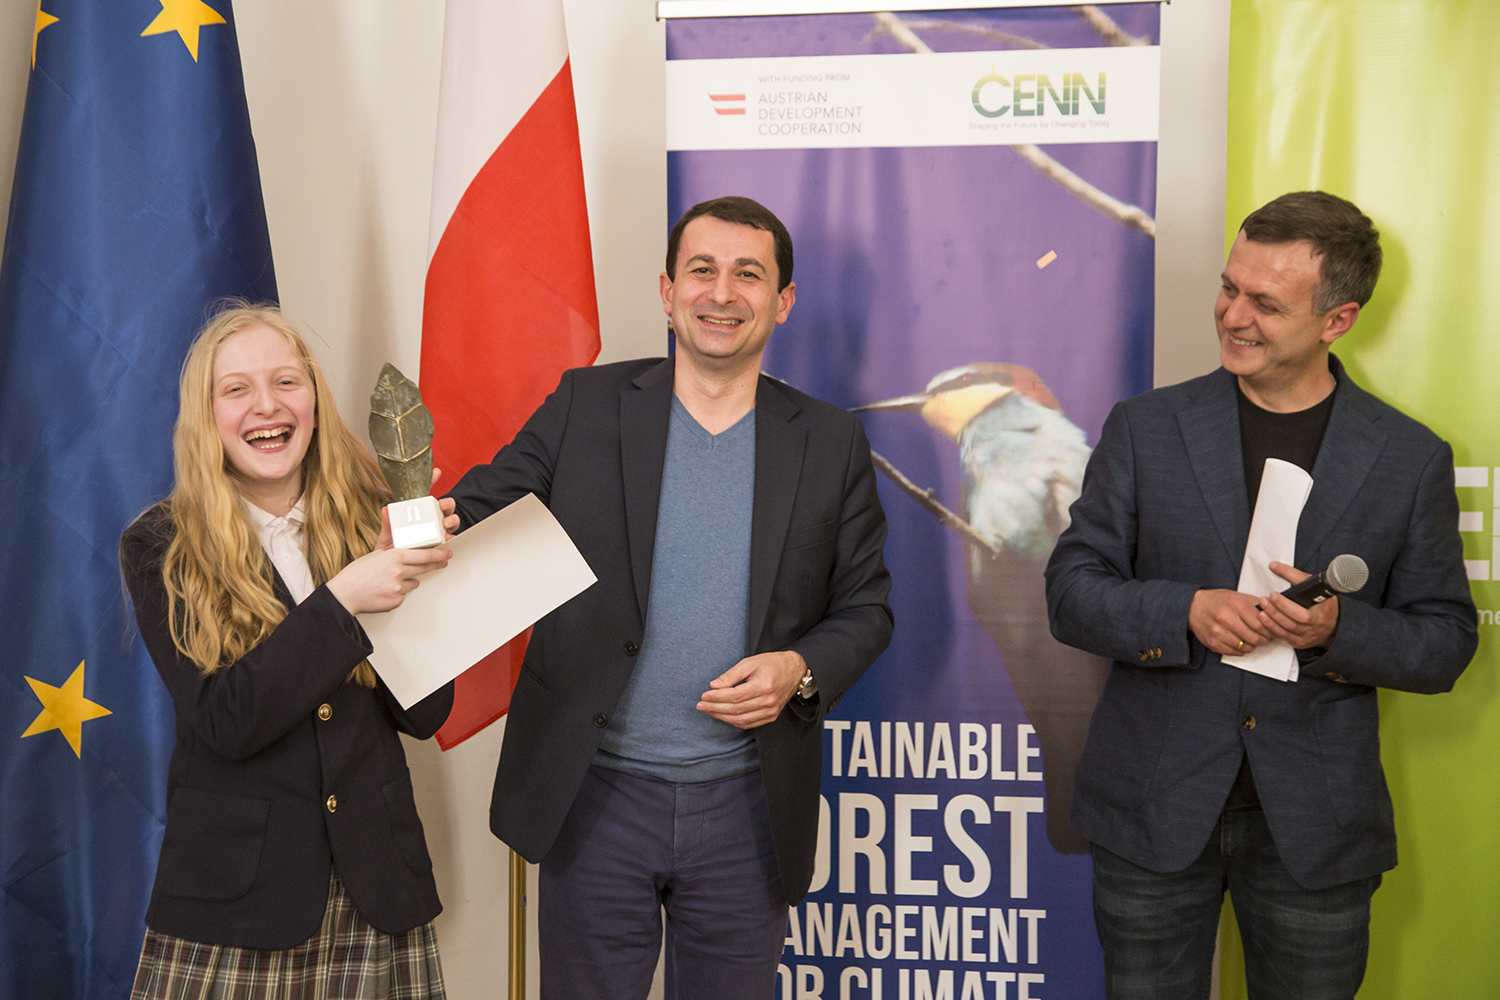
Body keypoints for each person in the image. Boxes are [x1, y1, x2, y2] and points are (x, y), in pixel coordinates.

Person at [446, 195, 894, 998]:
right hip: (594, 796)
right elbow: (477, 509)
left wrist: (799, 668)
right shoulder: (585, 406)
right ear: (666, 291)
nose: (721, 293)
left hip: (748, 807)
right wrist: (401, 522)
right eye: (701, 270)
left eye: (748, 275)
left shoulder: (831, 442)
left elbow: (867, 608)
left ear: (783, 301)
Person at [1045, 191, 1478, 999]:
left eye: (1266, 304)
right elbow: (1071, 592)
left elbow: (1445, 640)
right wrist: (1185, 610)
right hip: (1151, 811)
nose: (1233, 316)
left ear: (1338, 320)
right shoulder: (1146, 428)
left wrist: (1336, 630)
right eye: (1229, 288)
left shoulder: (1408, 457)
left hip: (1317, 825)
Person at [121, 306, 459, 998]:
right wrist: (345, 598)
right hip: (237, 900)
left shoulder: (372, 518)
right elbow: (227, 720)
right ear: (206, 416)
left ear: (314, 401)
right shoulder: (160, 545)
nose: (267, 406)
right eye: (236, 389)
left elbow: (426, 715)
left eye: (285, 382)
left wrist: (414, 589)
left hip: (375, 888)